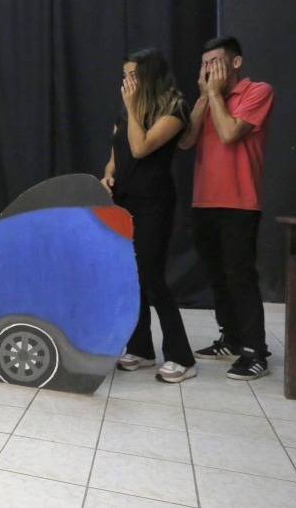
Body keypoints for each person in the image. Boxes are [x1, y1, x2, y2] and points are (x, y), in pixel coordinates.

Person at [178, 36, 275, 380]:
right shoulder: (208, 98)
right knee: (217, 275)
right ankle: (232, 338)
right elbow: (187, 140)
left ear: (235, 62)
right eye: (204, 64)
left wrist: (215, 95)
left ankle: (255, 352)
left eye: (215, 62)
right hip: (204, 200)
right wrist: (206, 96)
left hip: (239, 201)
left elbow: (231, 133)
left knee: (240, 276)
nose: (208, 70)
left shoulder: (258, 91)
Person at [100, 48, 197, 383]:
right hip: (124, 200)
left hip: (154, 200)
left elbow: (141, 148)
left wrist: (131, 107)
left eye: (133, 75)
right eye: (125, 74)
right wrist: (107, 175)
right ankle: (140, 348)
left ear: (149, 77)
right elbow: (118, 154)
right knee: (129, 278)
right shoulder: (124, 112)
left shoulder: (174, 108)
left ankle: (181, 357)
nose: (126, 81)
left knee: (152, 277)